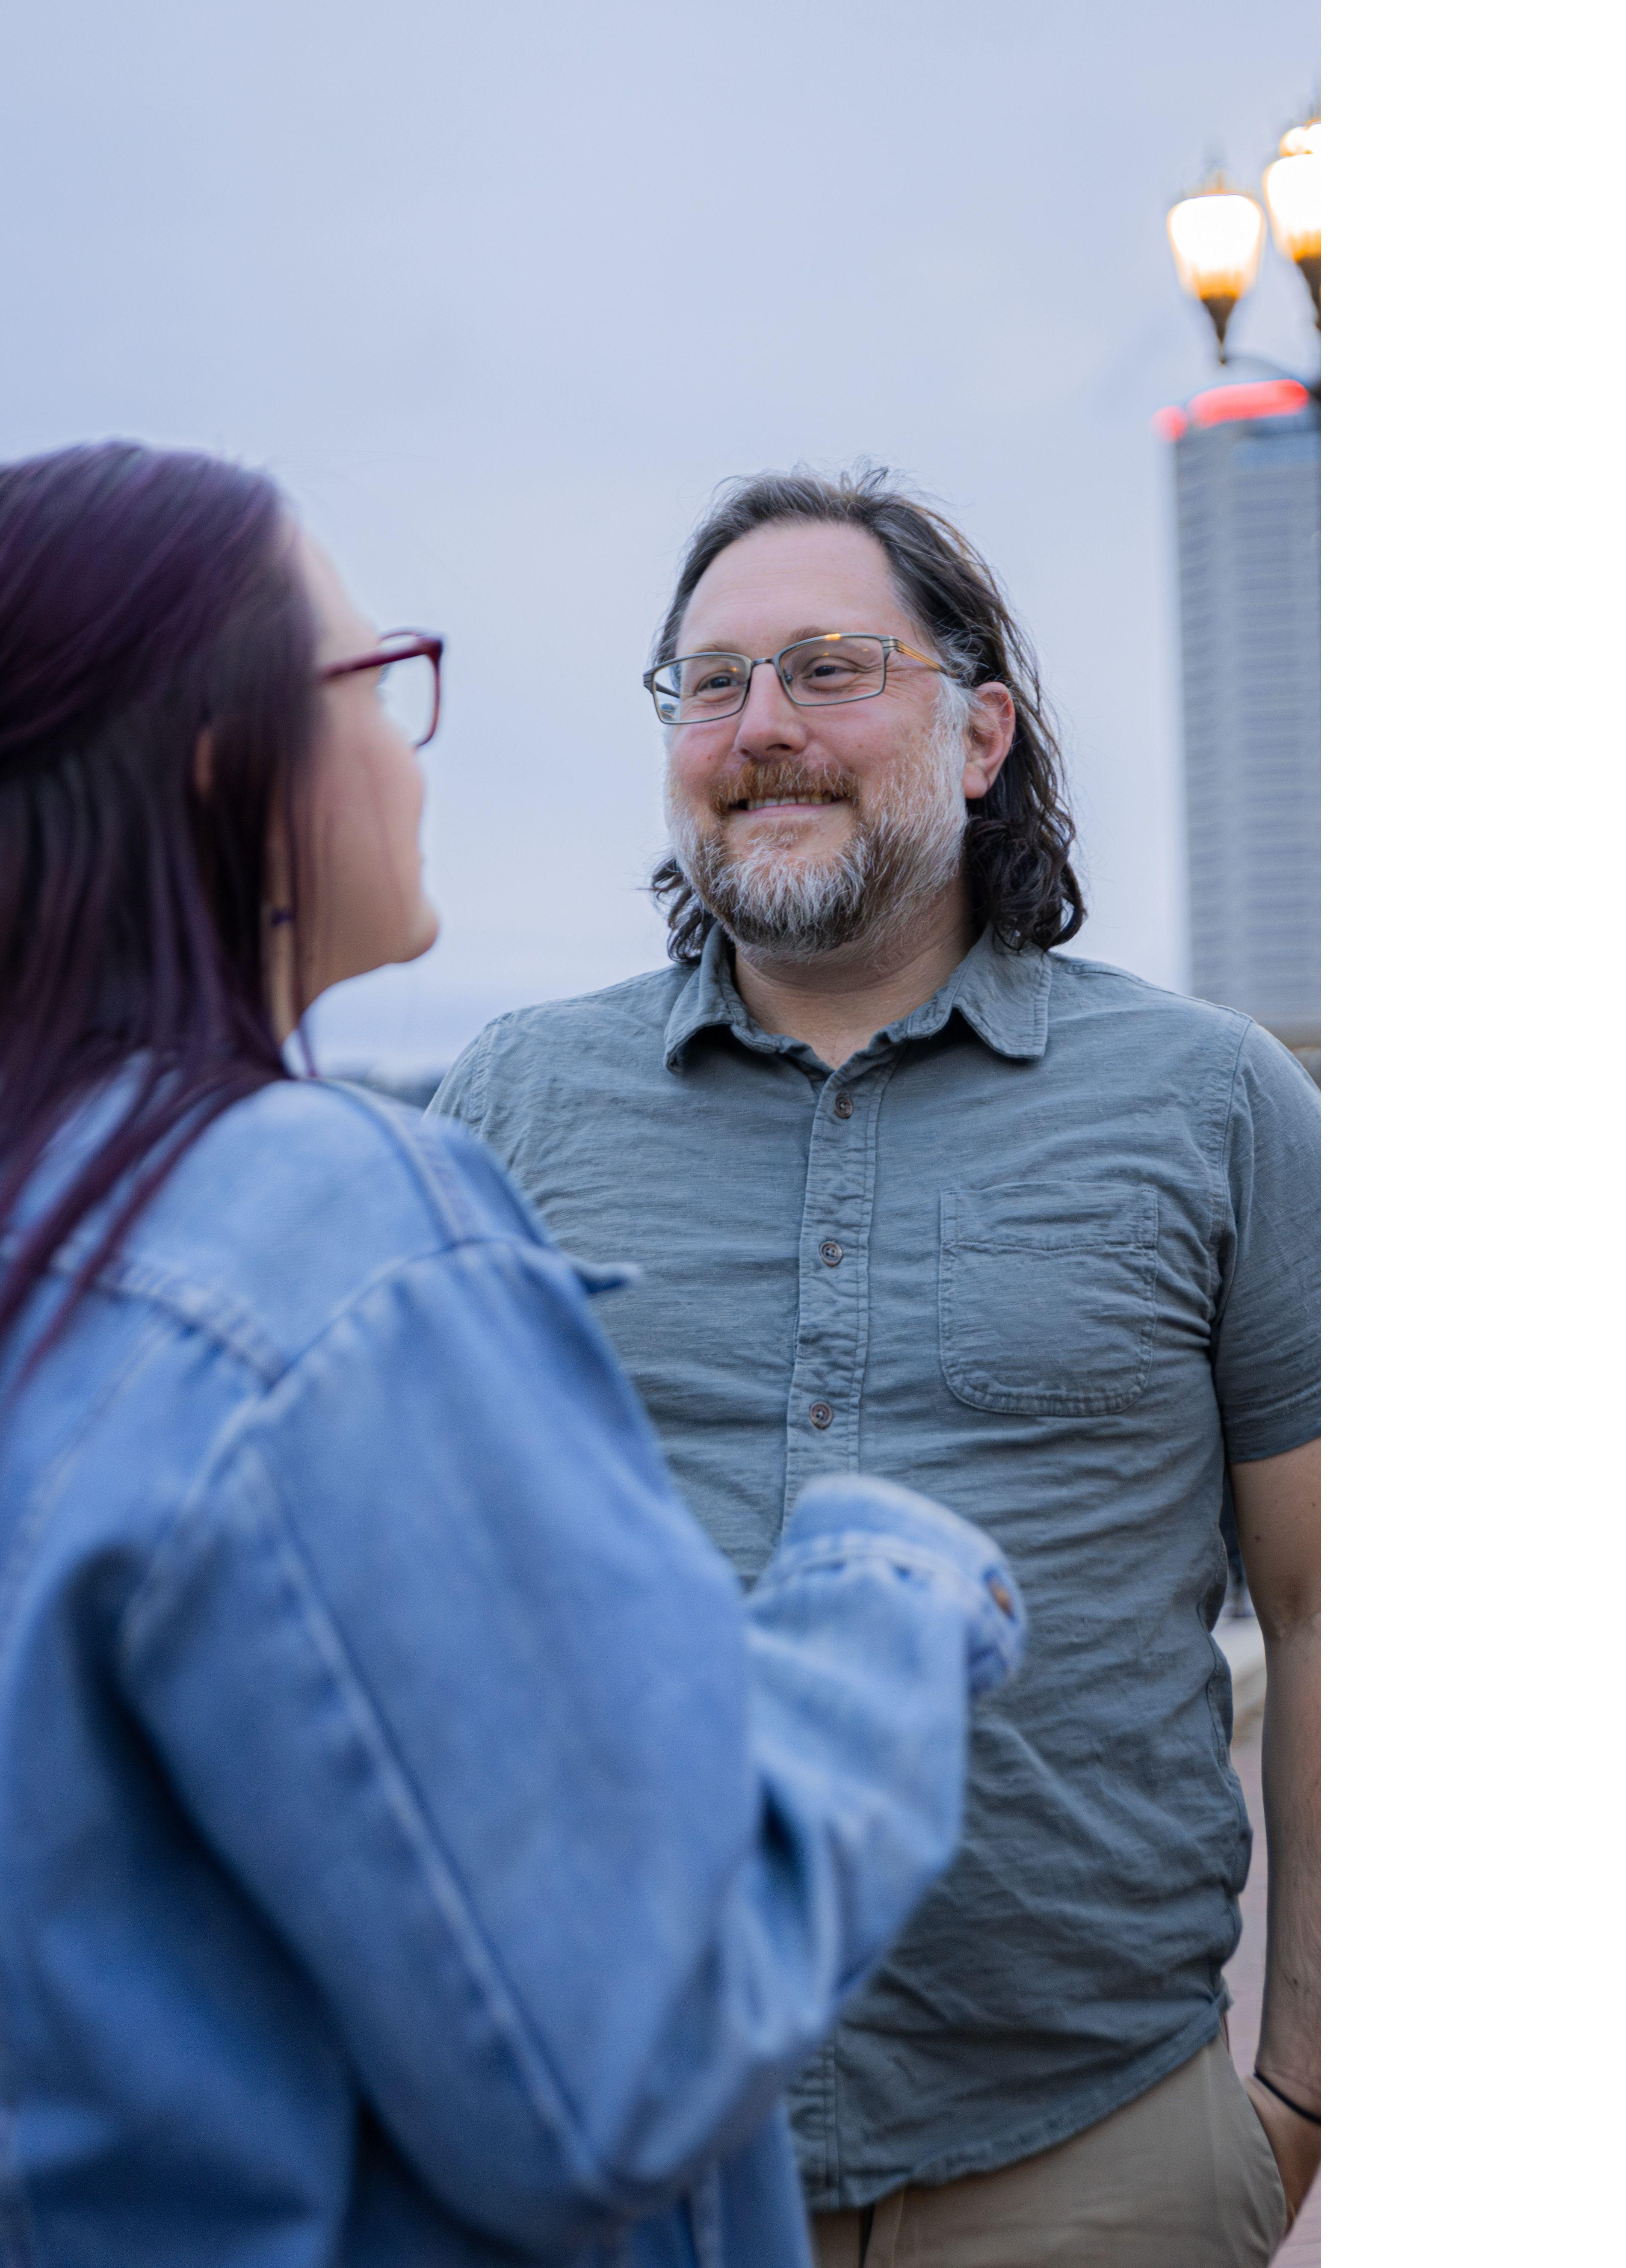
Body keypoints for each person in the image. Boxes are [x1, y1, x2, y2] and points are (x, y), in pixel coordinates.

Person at [0, 442, 1030, 2268]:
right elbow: (633, 2030)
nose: (410, 748)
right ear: (232, 764)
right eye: (379, 682)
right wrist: (891, 1589)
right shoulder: (328, 1234)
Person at [431, 466, 1321, 2267]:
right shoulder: (510, 1107)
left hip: (1095, 2158)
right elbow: (421, 1611)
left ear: (982, 737)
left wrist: (1305, 2092)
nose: (761, 726)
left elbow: (1334, 1608)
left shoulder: (1219, 1104)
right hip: (623, 2160)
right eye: (712, 683)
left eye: (831, 669)